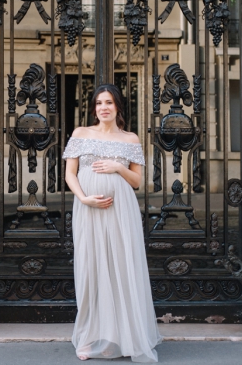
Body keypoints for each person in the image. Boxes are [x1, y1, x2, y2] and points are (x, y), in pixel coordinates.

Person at [62, 84, 162, 362]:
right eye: (98, 103)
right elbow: (70, 174)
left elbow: (137, 181)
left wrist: (118, 167)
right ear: (94, 108)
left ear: (118, 106)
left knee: (121, 268)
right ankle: (90, 337)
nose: (103, 107)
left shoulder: (131, 139)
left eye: (108, 102)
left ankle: (119, 340)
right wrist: (84, 198)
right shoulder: (81, 134)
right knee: (92, 270)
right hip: (89, 209)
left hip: (121, 211)